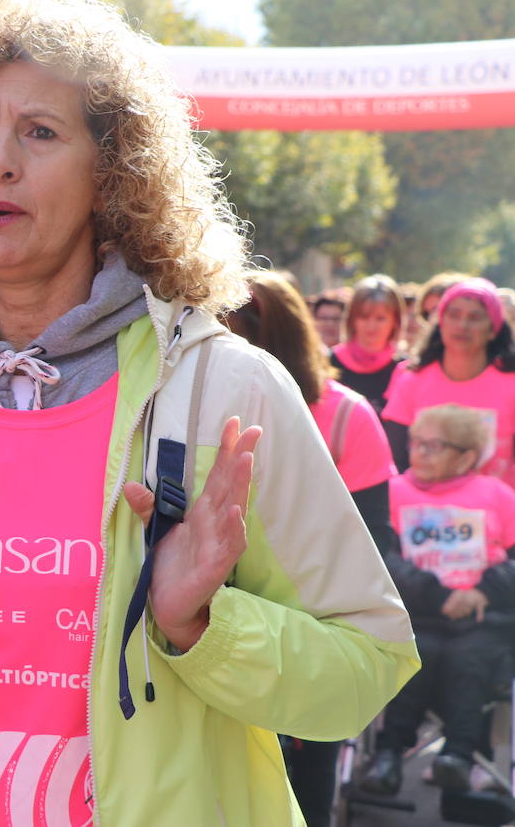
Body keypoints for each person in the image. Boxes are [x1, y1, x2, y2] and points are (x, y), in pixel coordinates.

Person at [0, 0, 417, 826]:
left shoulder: (223, 393)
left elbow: (365, 671)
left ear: (114, 172)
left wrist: (199, 626)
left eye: (40, 132)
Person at [225, 271, 397, 827]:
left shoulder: (347, 416)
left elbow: (374, 540)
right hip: (211, 630)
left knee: (307, 791)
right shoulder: (188, 402)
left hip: (307, 634)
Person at [360, 404, 515, 797]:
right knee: (414, 658)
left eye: (435, 446)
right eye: (417, 443)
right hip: (415, 615)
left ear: (466, 456)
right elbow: (380, 557)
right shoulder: (391, 493)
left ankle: (459, 758)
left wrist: (483, 591)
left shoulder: (498, 496)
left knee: (470, 660)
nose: (420, 452)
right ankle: (388, 757)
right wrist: (437, 595)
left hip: (481, 617)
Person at [383, 277, 515, 488]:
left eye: (475, 317)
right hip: (420, 515)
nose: (462, 325)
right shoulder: (411, 381)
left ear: (493, 330)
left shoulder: (511, 385)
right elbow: (394, 461)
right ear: (441, 323)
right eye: (454, 315)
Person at [331, 274, 407, 416]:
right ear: (352, 319)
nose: (371, 326)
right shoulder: (329, 363)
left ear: (395, 321)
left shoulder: (405, 369)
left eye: (380, 318)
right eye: (364, 317)